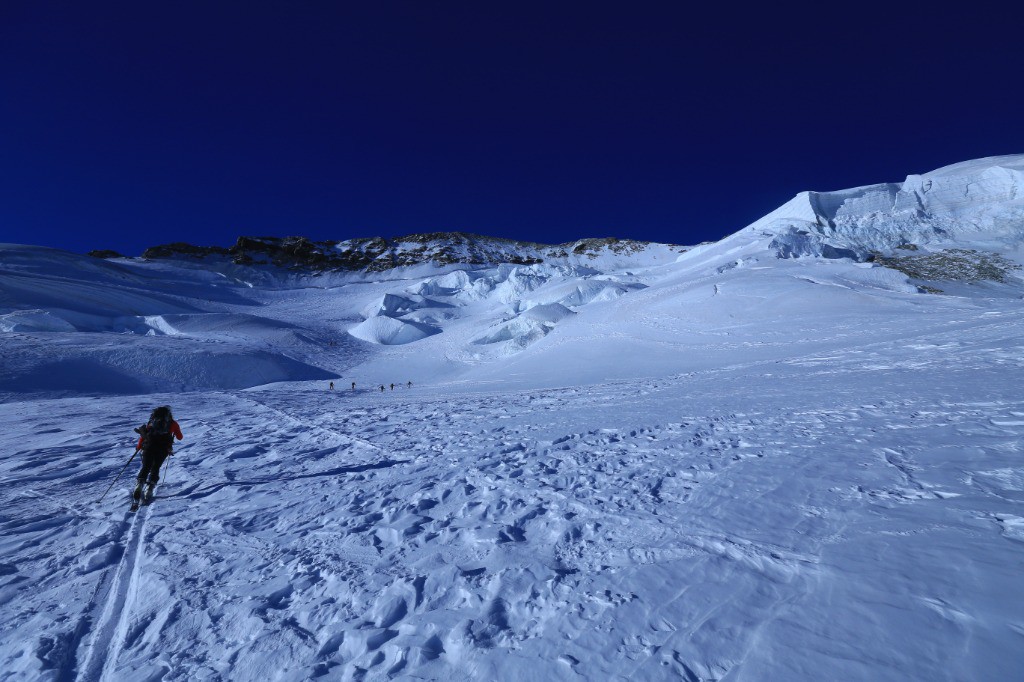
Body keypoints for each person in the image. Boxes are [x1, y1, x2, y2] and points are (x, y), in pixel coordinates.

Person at [133, 405, 183, 500]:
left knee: (146, 466)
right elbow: (180, 437)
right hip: (163, 449)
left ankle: (139, 484)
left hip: (148, 447)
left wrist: (139, 446)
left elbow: (144, 436)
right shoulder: (173, 423)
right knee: (155, 467)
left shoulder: (152, 422)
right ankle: (150, 488)